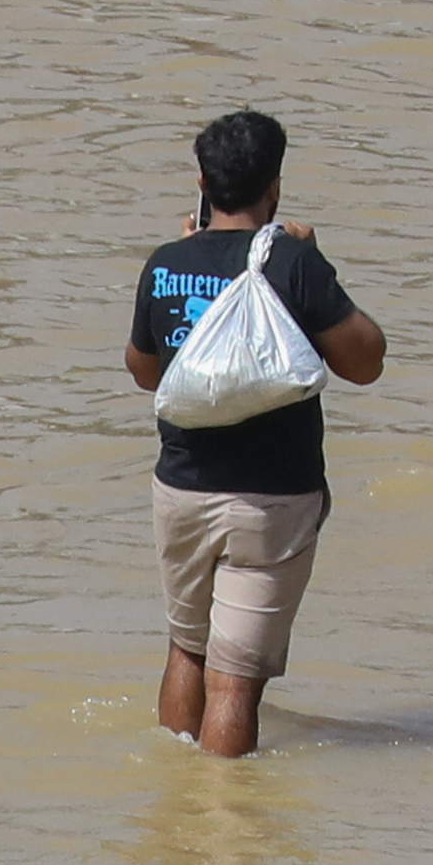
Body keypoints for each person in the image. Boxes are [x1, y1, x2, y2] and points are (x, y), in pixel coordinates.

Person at [125, 108, 389, 760]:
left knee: (187, 648)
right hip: (269, 501)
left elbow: (143, 371)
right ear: (273, 186)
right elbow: (366, 360)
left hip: (181, 492)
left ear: (202, 183)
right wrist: (311, 260)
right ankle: (225, 830)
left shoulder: (165, 264)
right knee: (235, 683)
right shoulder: (293, 264)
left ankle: (175, 803)